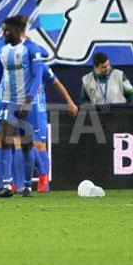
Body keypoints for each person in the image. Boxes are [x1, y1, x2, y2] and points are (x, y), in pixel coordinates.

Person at [0, 15, 45, 198]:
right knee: (4, 140)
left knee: (27, 145)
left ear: (19, 31)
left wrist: (28, 100)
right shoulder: (2, 51)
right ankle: (5, 185)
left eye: (7, 30)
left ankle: (27, 185)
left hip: (27, 103)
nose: (4, 33)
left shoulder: (31, 49)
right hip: (7, 101)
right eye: (3, 30)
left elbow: (37, 76)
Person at [28, 60, 78, 193]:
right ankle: (16, 182)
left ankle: (43, 177)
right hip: (18, 108)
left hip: (38, 109)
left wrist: (70, 102)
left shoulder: (41, 66)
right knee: (17, 143)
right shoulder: (14, 65)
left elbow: (56, 83)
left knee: (38, 144)